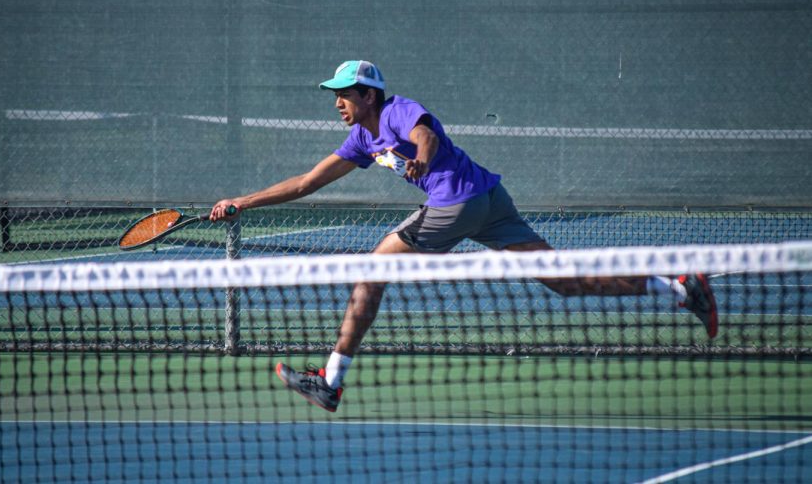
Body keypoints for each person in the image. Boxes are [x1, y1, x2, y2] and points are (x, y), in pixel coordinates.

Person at [209, 60, 718, 412]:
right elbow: (306, 183)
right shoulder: (361, 137)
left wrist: (422, 162)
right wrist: (240, 201)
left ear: (368, 94)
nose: (337, 101)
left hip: (458, 202)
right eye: (335, 95)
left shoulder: (395, 110)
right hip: (489, 201)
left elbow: (425, 135)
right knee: (562, 280)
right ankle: (680, 289)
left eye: (343, 93)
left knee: (370, 271)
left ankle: (330, 383)